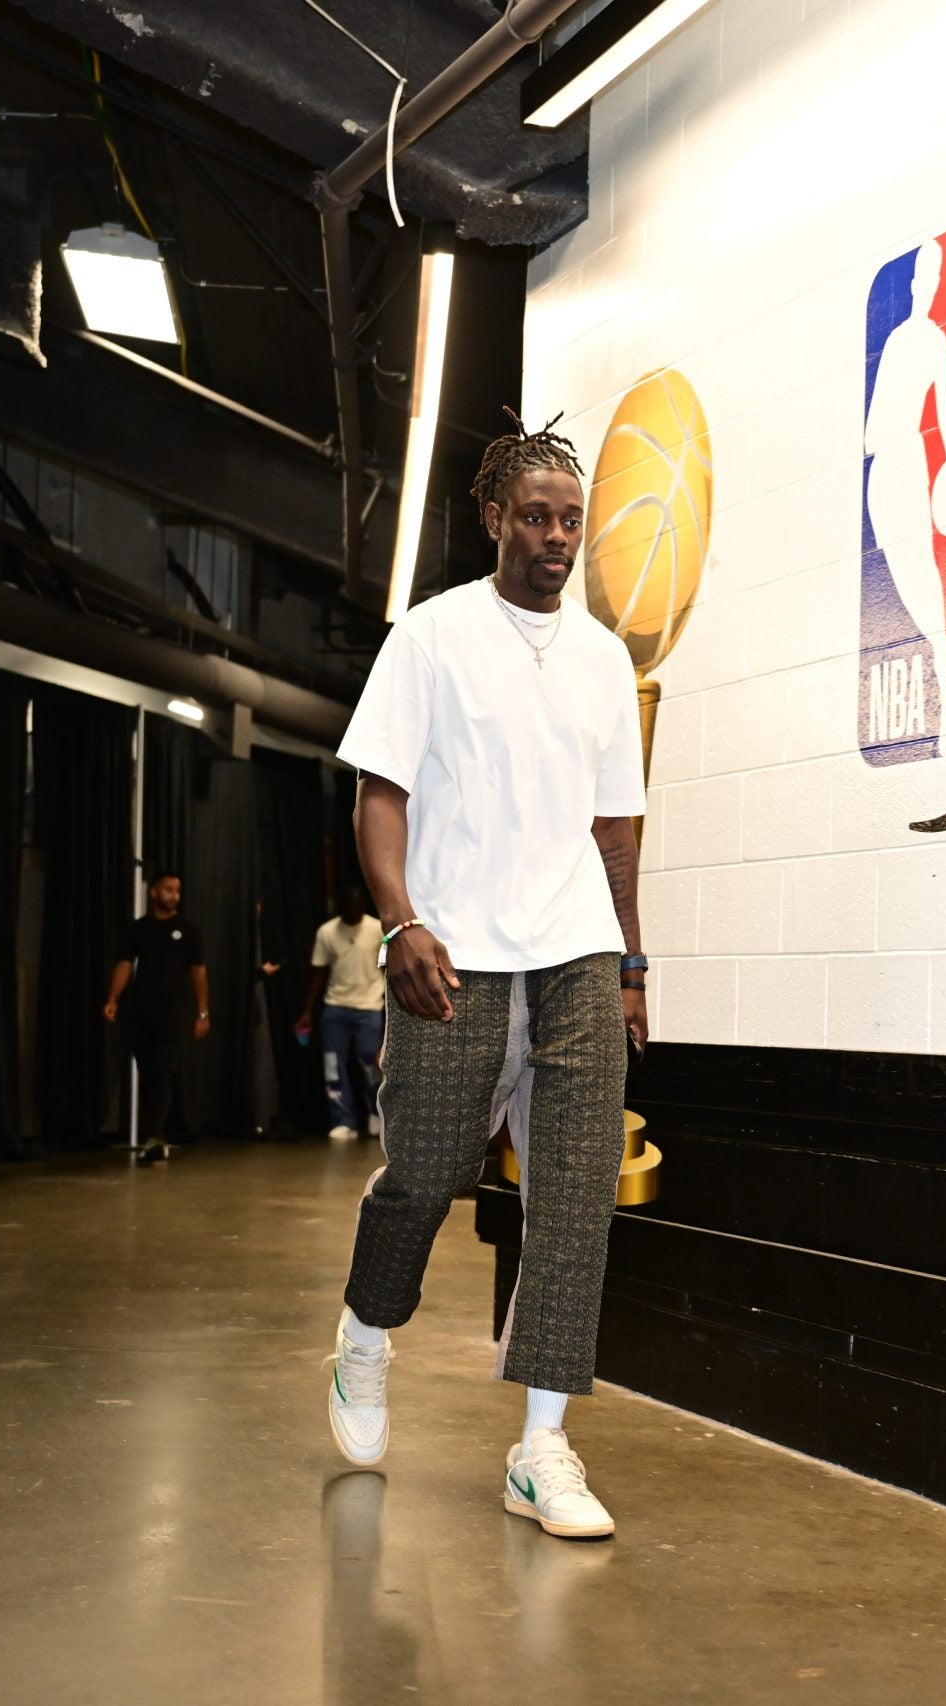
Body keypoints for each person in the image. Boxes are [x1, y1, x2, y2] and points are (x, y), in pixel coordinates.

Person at [324, 413, 648, 1542]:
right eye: (538, 516)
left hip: (574, 952)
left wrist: (632, 963)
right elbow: (380, 794)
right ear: (495, 518)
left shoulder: (607, 658)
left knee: (574, 1198)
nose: (558, 536)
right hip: (453, 951)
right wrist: (400, 917)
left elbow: (616, 829)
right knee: (421, 1172)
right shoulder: (431, 636)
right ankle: (365, 1338)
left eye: (572, 518)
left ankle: (543, 1445)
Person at [864, 236, 946, 757]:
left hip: (907, 464)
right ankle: (938, 655)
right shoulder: (899, 338)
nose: (923, 286)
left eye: (932, 278)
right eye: (918, 278)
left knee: (922, 578)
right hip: (881, 469)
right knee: (902, 581)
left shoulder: (932, 339)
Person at [104, 870, 209, 1164]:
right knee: (148, 1070)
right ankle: (153, 1131)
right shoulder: (137, 929)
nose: (174, 895)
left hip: (172, 1014)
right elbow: (125, 964)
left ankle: (156, 1135)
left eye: (177, 890)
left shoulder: (188, 930)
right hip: (140, 1012)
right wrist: (113, 998)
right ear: (153, 892)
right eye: (168, 889)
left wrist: (203, 1011)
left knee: (163, 1070)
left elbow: (198, 972)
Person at [297, 887, 385, 1142]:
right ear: (341, 907)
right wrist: (307, 1011)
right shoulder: (327, 932)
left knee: (371, 1066)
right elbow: (318, 973)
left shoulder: (378, 929)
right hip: (335, 1007)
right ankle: (343, 1120)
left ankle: (374, 1114)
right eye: (349, 907)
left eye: (358, 907)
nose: (354, 912)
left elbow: (387, 969)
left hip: (369, 1007)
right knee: (333, 1067)